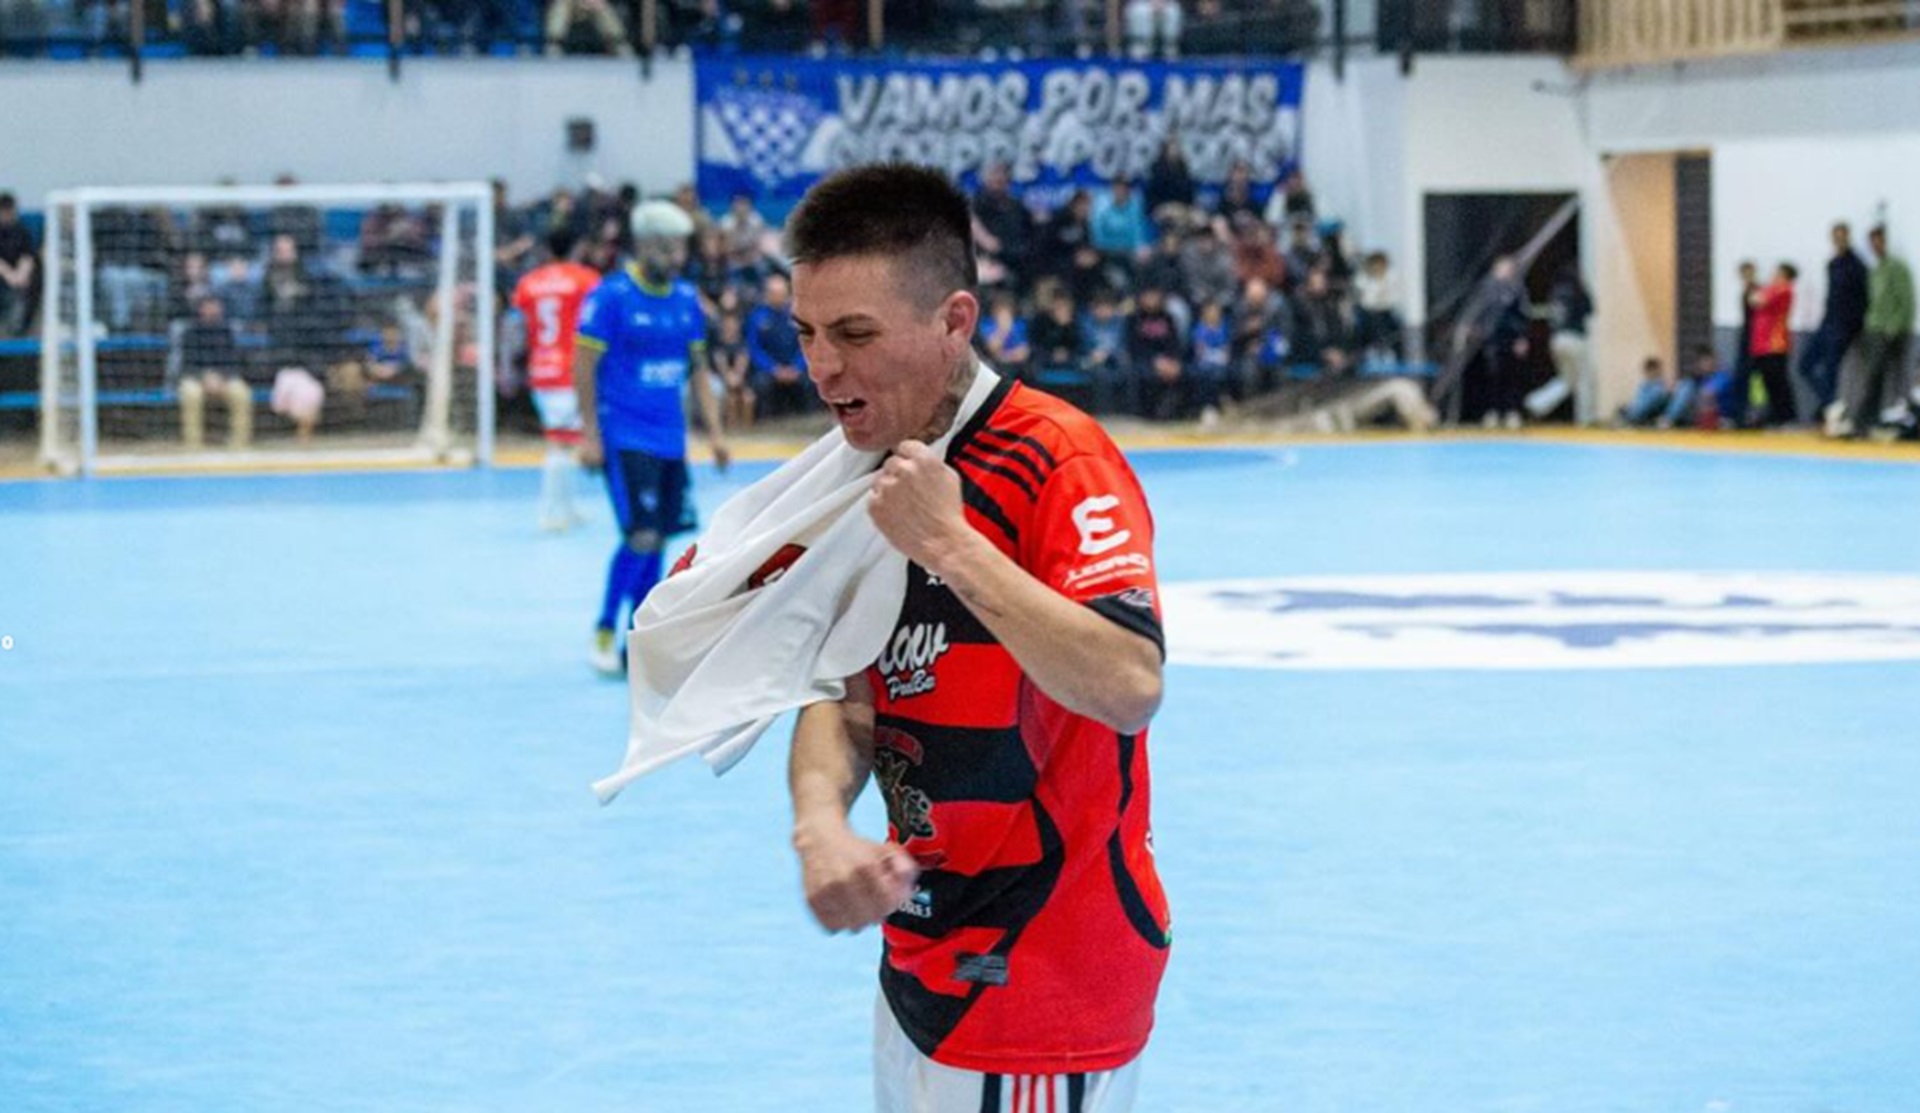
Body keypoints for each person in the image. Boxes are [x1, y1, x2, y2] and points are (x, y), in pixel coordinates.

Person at [783, 163, 1170, 1113]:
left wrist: (950, 546)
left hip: (1039, 980)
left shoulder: (1059, 458)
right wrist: (820, 824)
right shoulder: (862, 470)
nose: (823, 367)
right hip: (921, 966)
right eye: (806, 334)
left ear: (954, 321)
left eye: (855, 335)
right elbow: (846, 691)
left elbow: (1130, 681)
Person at [574, 200, 730, 676]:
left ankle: (635, 640)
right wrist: (590, 434)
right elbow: (584, 365)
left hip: (670, 439)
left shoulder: (685, 300)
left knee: (658, 539)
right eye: (667, 247)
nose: (677, 256)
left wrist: (716, 433)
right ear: (644, 245)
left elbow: (697, 371)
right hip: (624, 435)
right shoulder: (611, 297)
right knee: (640, 536)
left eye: (681, 246)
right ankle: (604, 627)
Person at [512, 228, 604, 532]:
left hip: (540, 368)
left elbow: (518, 324)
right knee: (560, 444)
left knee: (565, 440)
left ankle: (568, 508)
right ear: (576, 248)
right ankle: (550, 514)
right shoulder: (586, 279)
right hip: (571, 369)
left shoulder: (529, 282)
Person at [1835, 225, 1916, 438]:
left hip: (1891, 331)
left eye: (1879, 241)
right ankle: (1865, 421)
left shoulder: (1897, 267)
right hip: (1874, 329)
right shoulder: (1875, 269)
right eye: (1872, 242)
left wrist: (1896, 328)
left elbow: (1906, 300)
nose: (1875, 246)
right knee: (1871, 377)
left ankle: (1869, 421)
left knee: (1889, 378)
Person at [1799, 222, 1869, 419]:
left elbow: (1863, 299)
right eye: (1835, 237)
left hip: (1844, 326)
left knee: (1831, 370)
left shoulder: (1857, 266)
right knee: (1805, 364)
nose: (1838, 241)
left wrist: (1854, 327)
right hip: (1828, 322)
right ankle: (1830, 403)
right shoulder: (1833, 264)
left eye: (1841, 237)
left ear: (1847, 237)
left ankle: (1830, 409)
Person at [1741, 262, 1798, 427]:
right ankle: (1774, 415)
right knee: (1767, 382)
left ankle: (1787, 416)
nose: (1774, 276)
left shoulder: (1784, 289)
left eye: (1778, 273)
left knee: (1779, 381)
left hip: (1775, 344)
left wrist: (1758, 290)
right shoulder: (1771, 289)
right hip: (1761, 344)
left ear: (1785, 276)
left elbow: (1756, 300)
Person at [1615, 356, 1671, 427]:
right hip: (1640, 409)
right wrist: (1631, 407)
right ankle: (1630, 417)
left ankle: (1632, 418)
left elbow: (1653, 401)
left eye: (1652, 370)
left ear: (1657, 371)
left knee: (1638, 409)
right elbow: (1638, 400)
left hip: (1650, 411)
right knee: (1624, 408)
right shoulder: (1644, 385)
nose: (1650, 373)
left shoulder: (1660, 385)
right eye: (1648, 370)